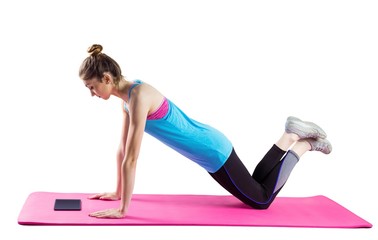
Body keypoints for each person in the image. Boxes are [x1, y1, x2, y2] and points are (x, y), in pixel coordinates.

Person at [79, 44, 332, 219]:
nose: (91, 94)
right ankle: (288, 136)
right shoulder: (128, 99)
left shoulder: (138, 97)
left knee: (262, 200)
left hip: (212, 152)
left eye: (91, 87)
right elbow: (122, 151)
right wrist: (118, 191)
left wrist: (124, 208)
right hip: (210, 145)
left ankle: (304, 145)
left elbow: (132, 158)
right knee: (255, 184)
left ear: (107, 79)